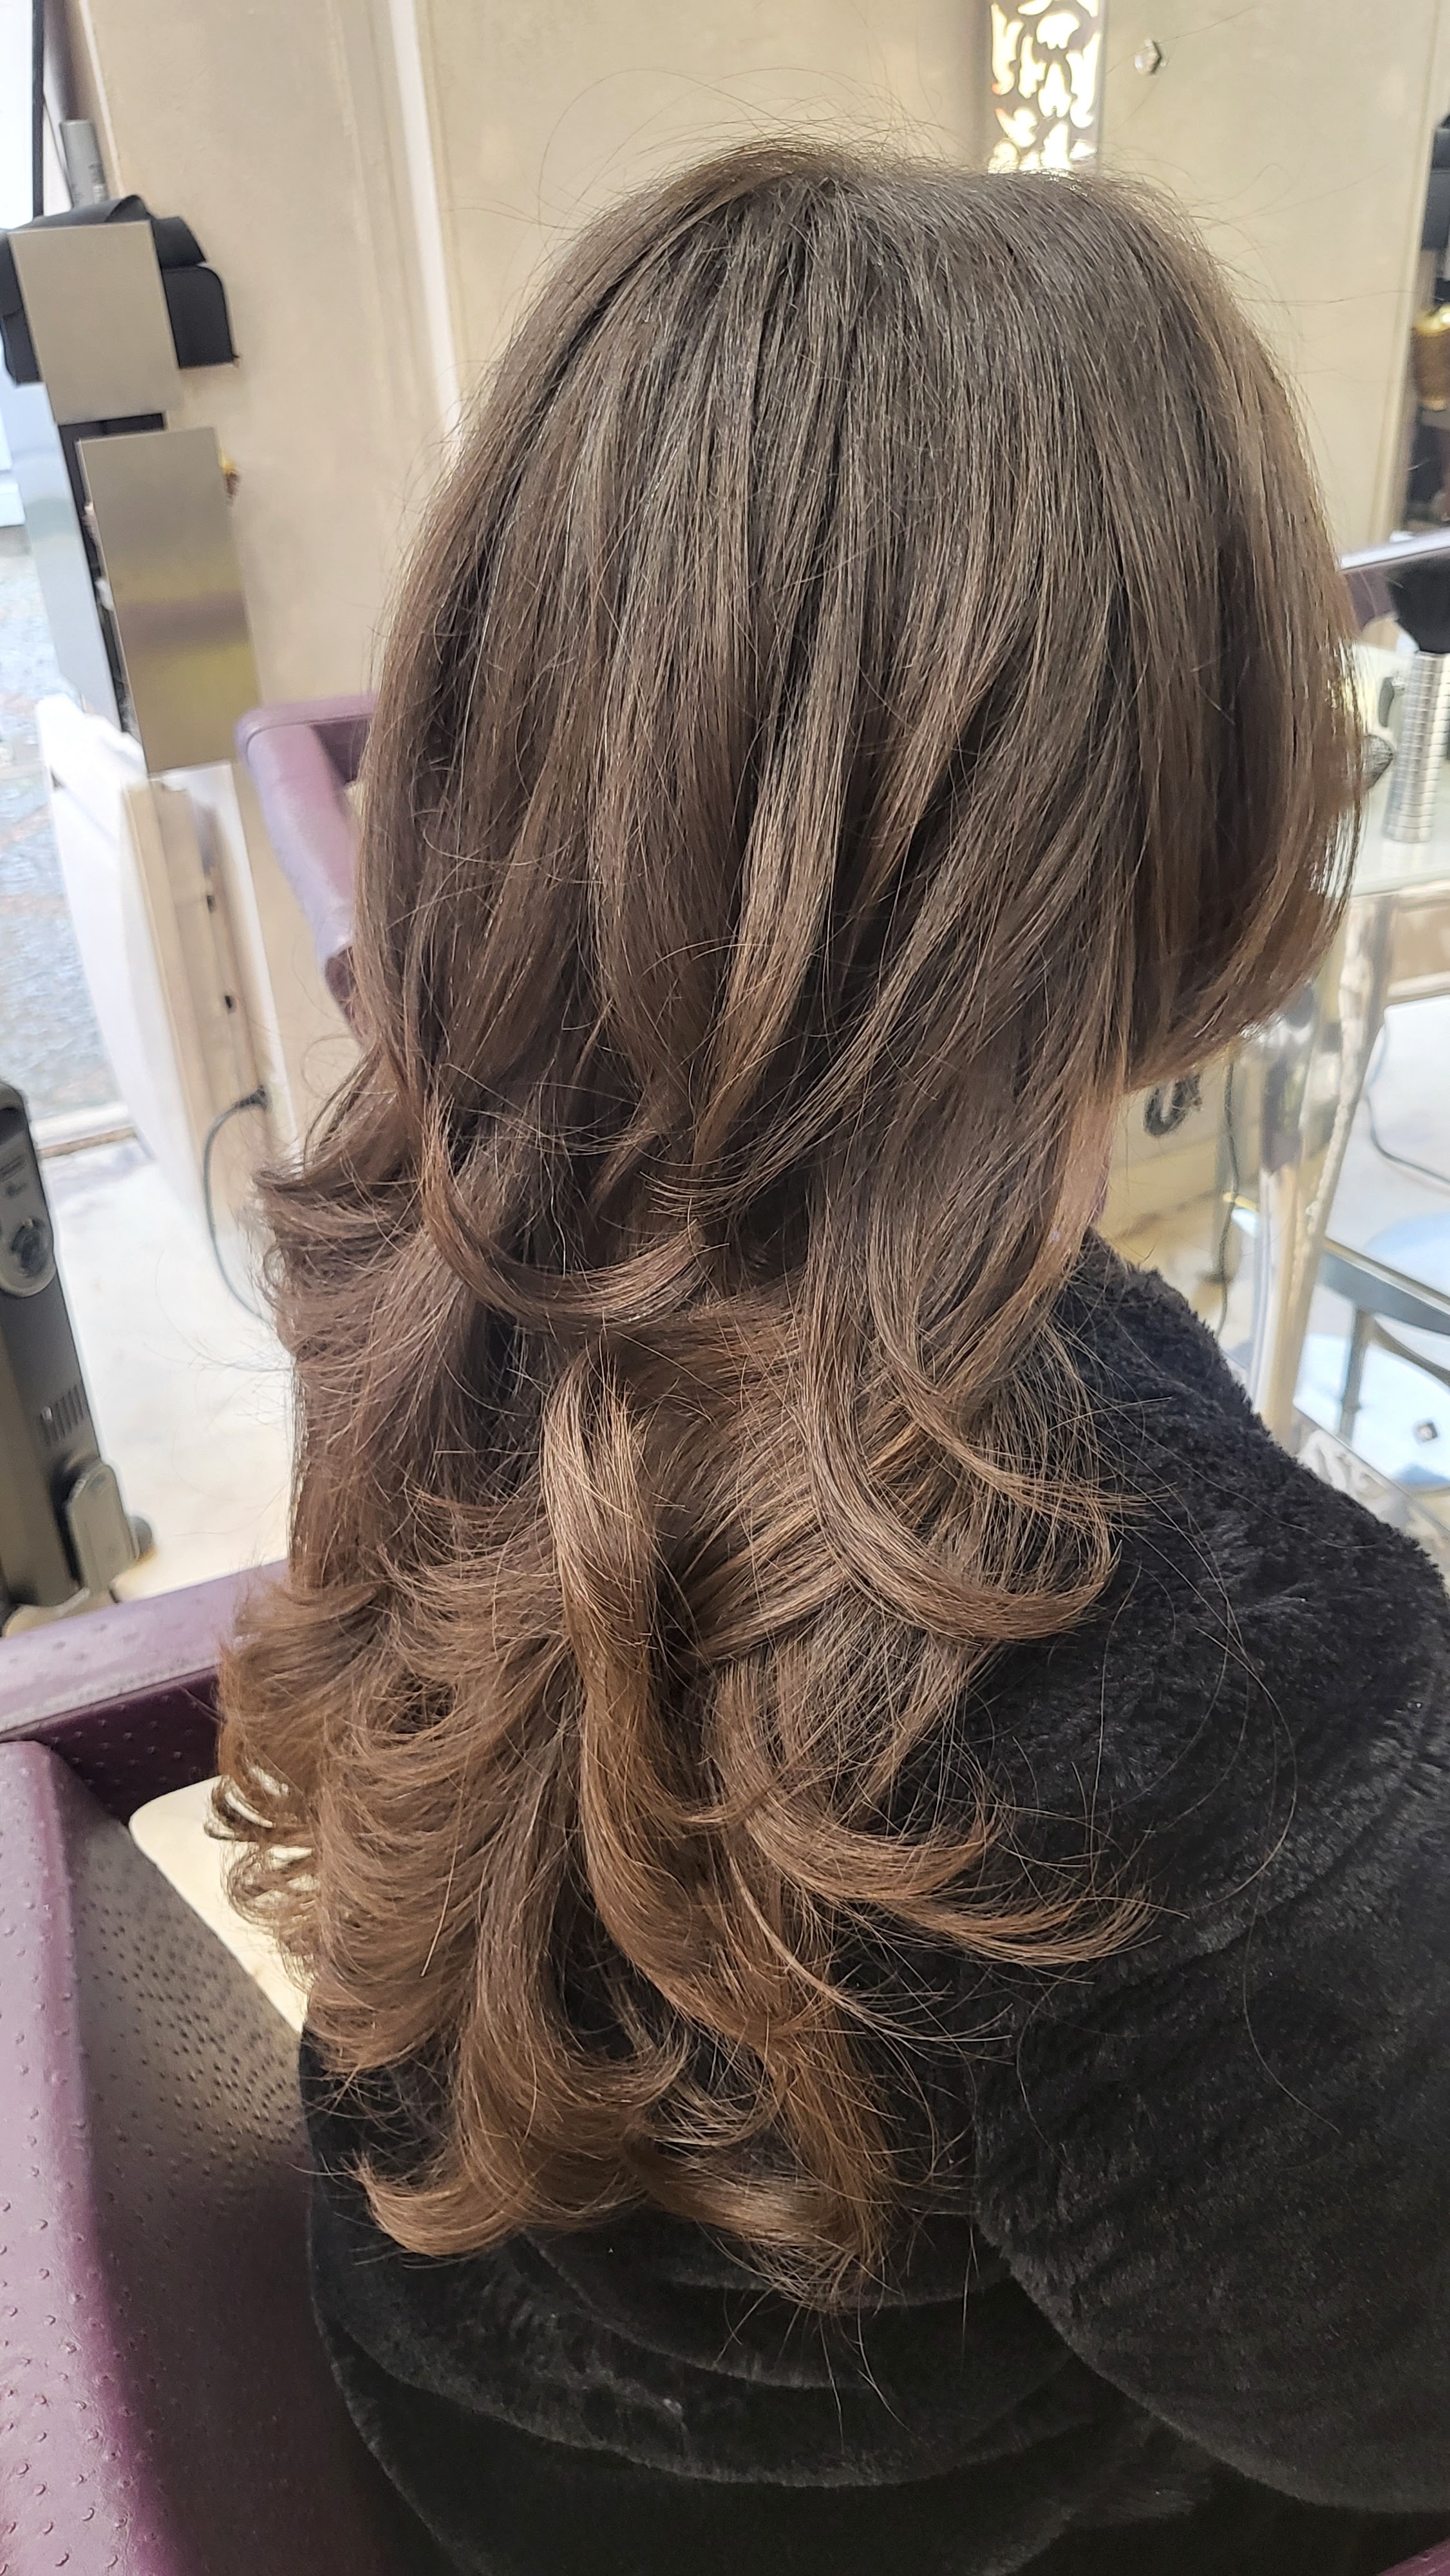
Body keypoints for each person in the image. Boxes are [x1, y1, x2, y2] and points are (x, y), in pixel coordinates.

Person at [216, 142, 1450, 2576]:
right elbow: (1394, 2400)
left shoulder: (441, 1258)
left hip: (501, 2449)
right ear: (1183, 791)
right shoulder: (1193, 1677)